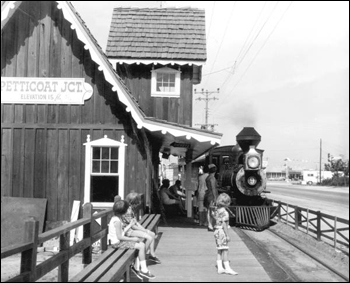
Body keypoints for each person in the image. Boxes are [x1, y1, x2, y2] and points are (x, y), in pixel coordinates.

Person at [108, 200, 156, 280]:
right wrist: (132, 239)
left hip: (118, 242)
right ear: (123, 211)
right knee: (141, 246)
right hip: (117, 244)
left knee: (141, 244)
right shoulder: (118, 222)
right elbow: (120, 237)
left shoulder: (115, 218)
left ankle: (137, 267)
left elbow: (122, 232)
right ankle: (143, 269)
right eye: (127, 209)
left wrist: (130, 225)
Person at [123, 192, 161, 265]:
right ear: (134, 202)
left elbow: (135, 222)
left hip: (132, 229)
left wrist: (144, 229)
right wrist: (144, 230)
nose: (138, 204)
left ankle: (151, 254)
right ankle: (140, 258)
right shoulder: (128, 211)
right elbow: (133, 226)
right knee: (149, 237)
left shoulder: (130, 208)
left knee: (152, 234)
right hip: (129, 231)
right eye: (137, 202)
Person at [213, 193, 238, 275]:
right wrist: (227, 235)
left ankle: (220, 268)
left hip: (216, 231)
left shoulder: (217, 210)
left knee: (219, 250)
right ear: (227, 203)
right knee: (225, 250)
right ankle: (227, 268)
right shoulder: (225, 213)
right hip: (222, 232)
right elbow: (224, 225)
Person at [204, 164, 219, 231]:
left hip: (207, 195)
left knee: (208, 211)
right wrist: (215, 198)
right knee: (213, 211)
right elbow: (213, 188)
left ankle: (209, 225)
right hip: (211, 196)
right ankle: (213, 225)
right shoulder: (212, 178)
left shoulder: (208, 177)